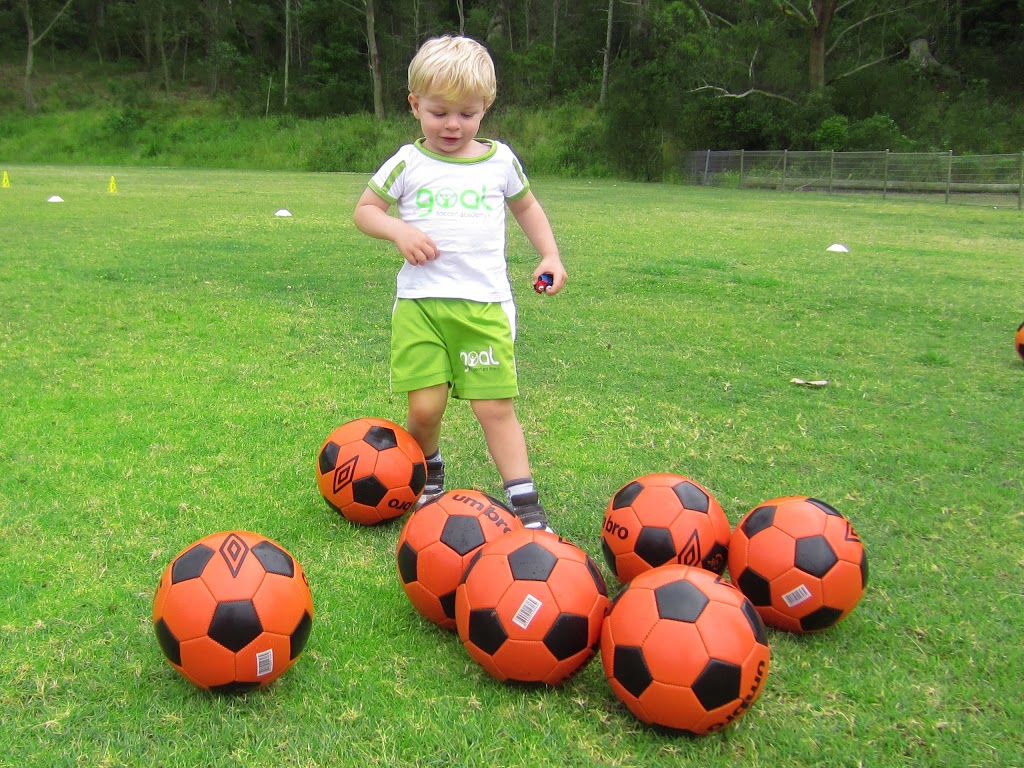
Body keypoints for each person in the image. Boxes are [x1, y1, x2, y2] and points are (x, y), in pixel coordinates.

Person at [353, 35, 566, 532]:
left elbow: (527, 207)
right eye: (439, 112)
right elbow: (365, 211)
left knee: (494, 407)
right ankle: (429, 477)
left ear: (486, 108)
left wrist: (550, 254)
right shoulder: (408, 162)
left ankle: (526, 505)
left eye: (467, 113)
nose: (452, 125)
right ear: (414, 105)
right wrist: (398, 229)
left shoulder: (500, 161)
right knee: (425, 407)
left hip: (484, 309)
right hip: (420, 306)